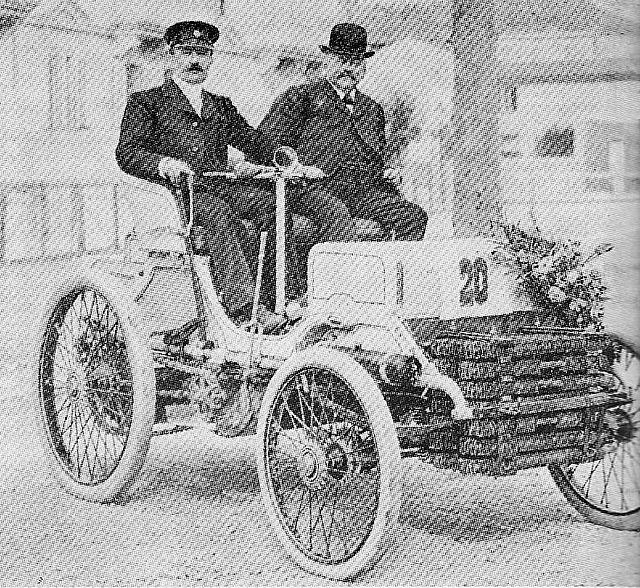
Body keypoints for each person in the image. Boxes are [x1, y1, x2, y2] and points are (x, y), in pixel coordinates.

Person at [116, 21, 293, 332]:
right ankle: (243, 310)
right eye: (187, 52)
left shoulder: (219, 105)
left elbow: (251, 141)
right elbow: (127, 152)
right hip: (177, 197)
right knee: (218, 215)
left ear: (211, 59)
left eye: (203, 53)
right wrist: (163, 163)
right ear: (170, 56)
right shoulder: (146, 102)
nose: (195, 60)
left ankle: (279, 300)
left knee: (273, 209)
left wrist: (286, 158)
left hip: (219, 187)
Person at [259, 23, 429, 242]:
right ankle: (339, 277)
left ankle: (394, 276)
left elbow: (376, 157)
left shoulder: (372, 109)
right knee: (338, 220)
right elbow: (265, 146)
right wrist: (297, 168)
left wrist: (388, 170)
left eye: (356, 62)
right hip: (310, 190)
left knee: (413, 217)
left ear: (364, 67)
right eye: (341, 60)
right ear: (327, 61)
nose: (348, 68)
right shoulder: (299, 97)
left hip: (361, 193)